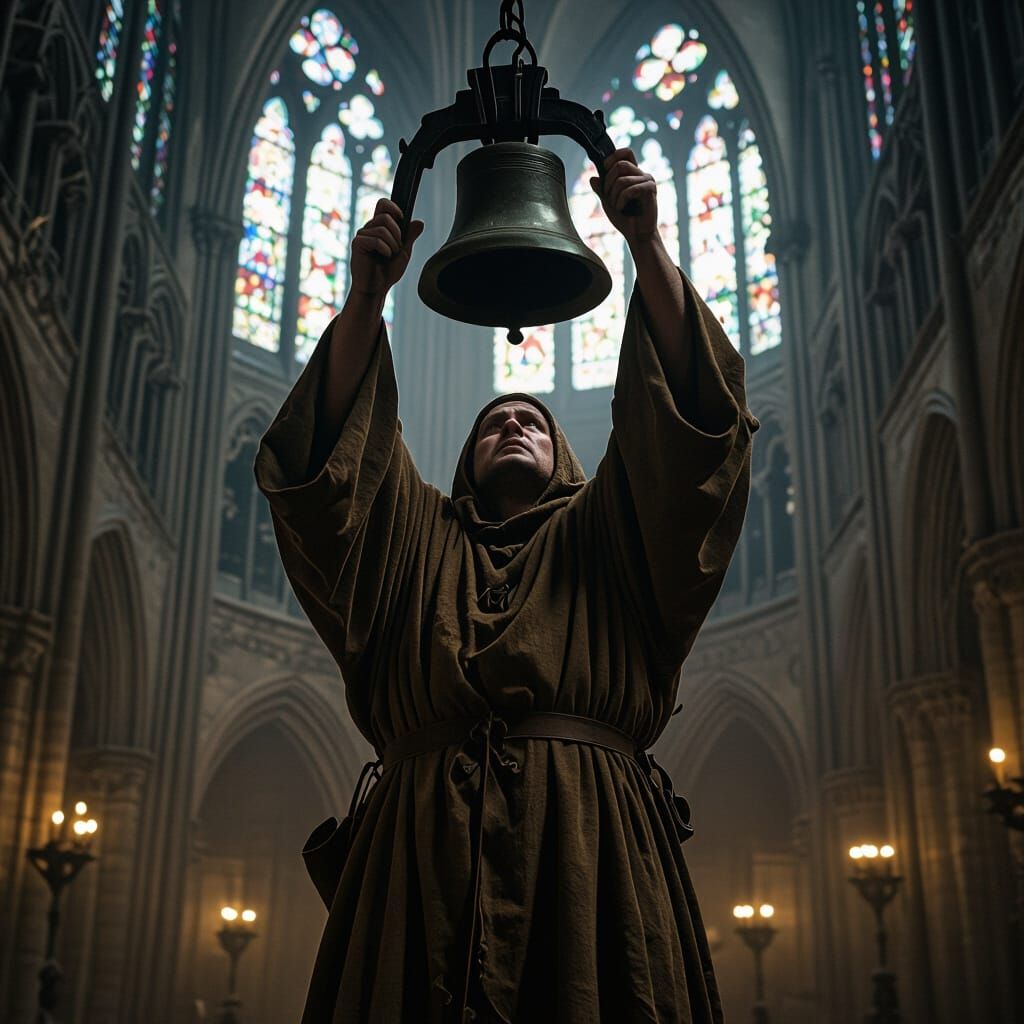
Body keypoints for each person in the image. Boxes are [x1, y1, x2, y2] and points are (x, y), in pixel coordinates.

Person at [255, 147, 758, 1023]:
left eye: (532, 420)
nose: (514, 425)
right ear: (464, 460)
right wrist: (366, 298)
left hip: (588, 854)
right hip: (419, 861)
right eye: (495, 422)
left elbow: (691, 445)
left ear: (565, 457)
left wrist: (646, 249)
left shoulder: (610, 534)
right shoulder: (414, 540)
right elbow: (329, 483)